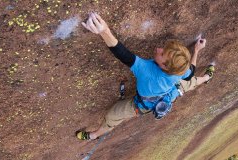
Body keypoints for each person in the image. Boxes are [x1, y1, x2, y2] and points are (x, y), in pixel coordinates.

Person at [76, 12, 215, 140]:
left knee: (112, 116)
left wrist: (104, 31)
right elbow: (190, 73)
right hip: (170, 91)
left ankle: (93, 135)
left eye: (161, 54)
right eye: (163, 49)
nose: (158, 49)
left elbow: (122, 53)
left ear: (165, 67)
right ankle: (208, 77)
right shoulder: (180, 70)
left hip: (142, 104)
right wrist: (196, 50)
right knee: (190, 83)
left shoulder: (147, 71)